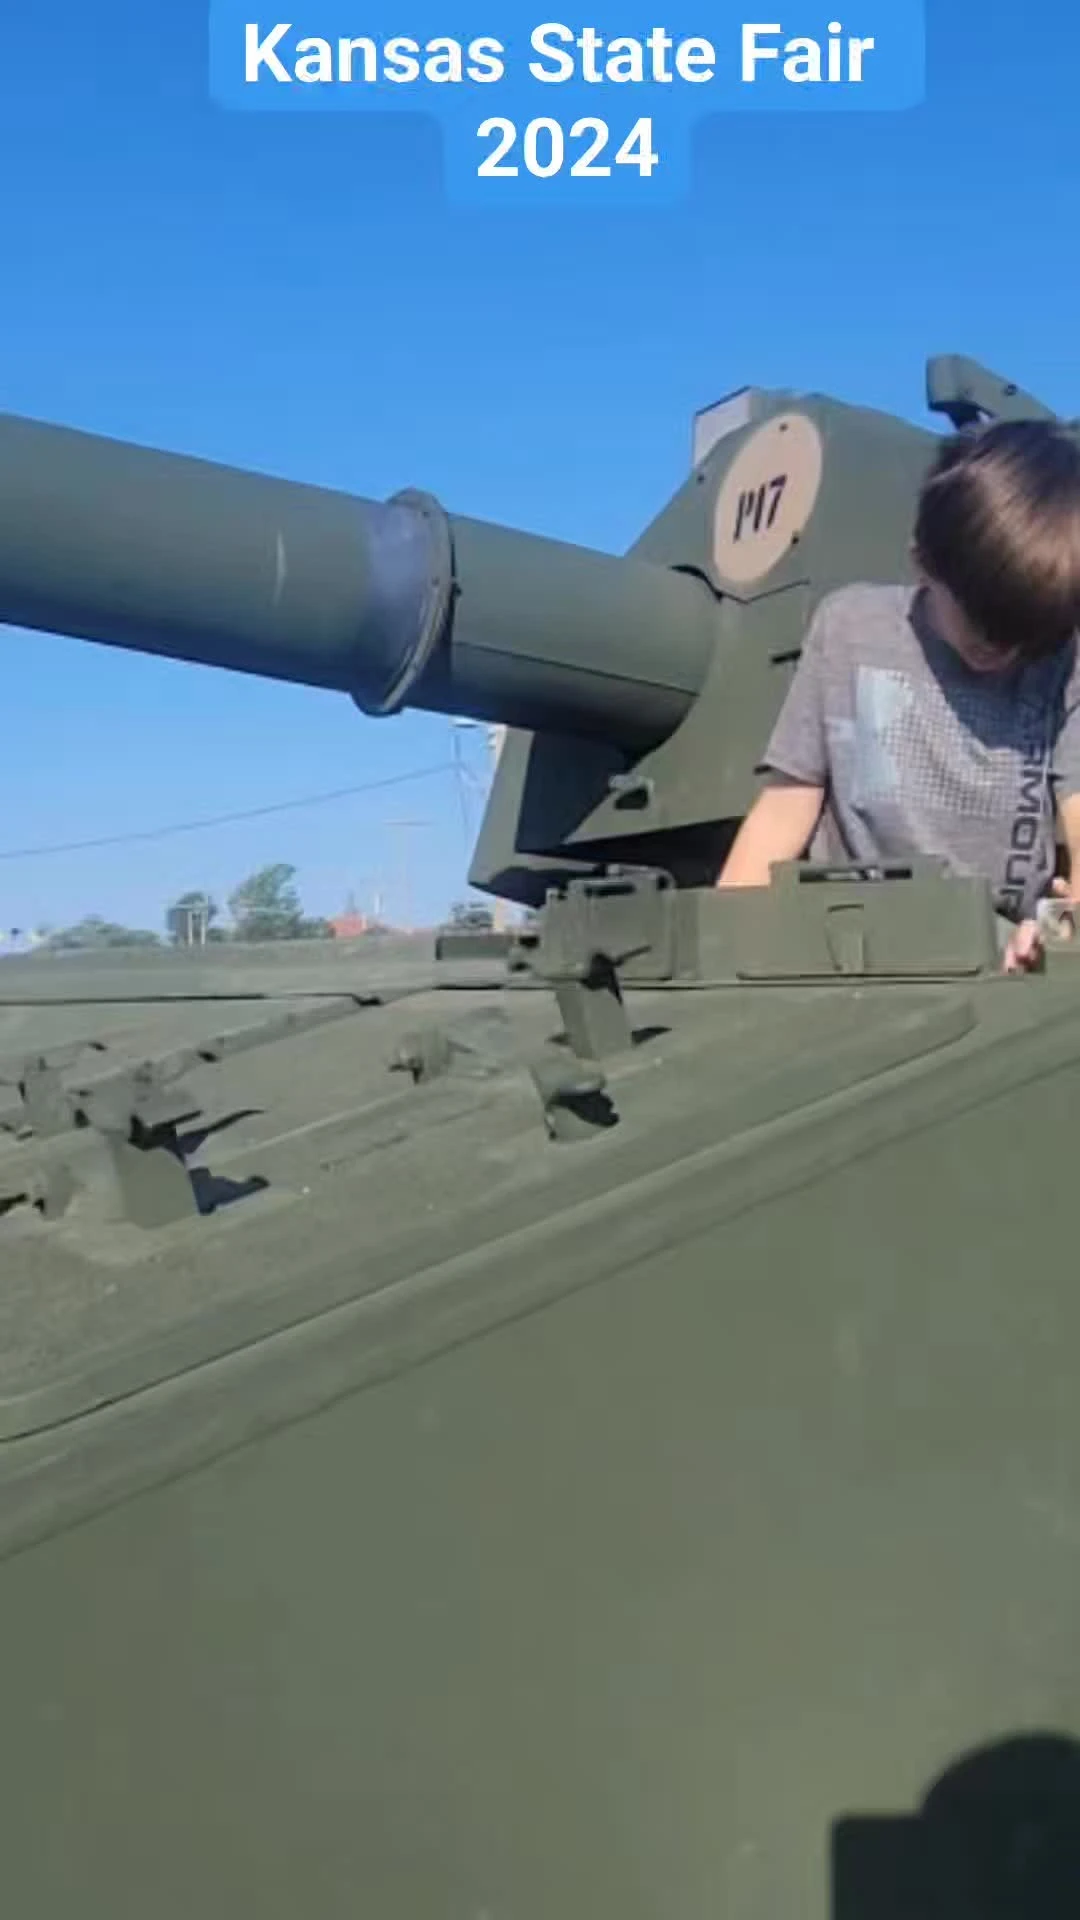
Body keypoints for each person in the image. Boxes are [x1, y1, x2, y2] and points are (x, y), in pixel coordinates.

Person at [716, 417, 1080, 971]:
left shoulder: (1065, 658)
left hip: (1001, 946)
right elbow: (787, 803)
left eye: (1026, 641)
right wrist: (722, 941)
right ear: (924, 564)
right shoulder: (851, 628)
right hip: (850, 944)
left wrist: (1064, 920)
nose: (1003, 653)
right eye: (984, 628)